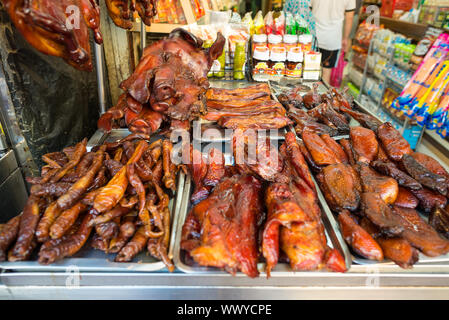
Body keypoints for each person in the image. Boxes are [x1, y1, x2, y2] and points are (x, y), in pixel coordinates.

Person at [310, 0, 356, 85]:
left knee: (309, 72)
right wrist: (345, 38)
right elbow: (350, 18)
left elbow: (309, 10)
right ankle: (321, 97)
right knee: (326, 74)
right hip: (332, 40)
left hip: (313, 38)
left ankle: (307, 97)